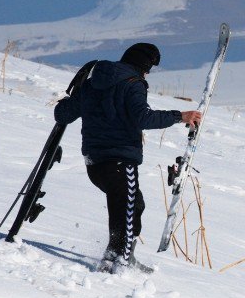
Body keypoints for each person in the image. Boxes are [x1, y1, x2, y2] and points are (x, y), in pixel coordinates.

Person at [54, 43, 201, 273]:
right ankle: (120, 263)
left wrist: (72, 98)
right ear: (144, 65)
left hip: (95, 162)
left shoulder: (94, 82)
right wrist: (179, 116)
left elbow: (62, 114)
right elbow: (143, 118)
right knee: (130, 207)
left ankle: (117, 256)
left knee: (126, 204)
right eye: (149, 68)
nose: (147, 74)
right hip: (119, 159)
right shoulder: (133, 85)